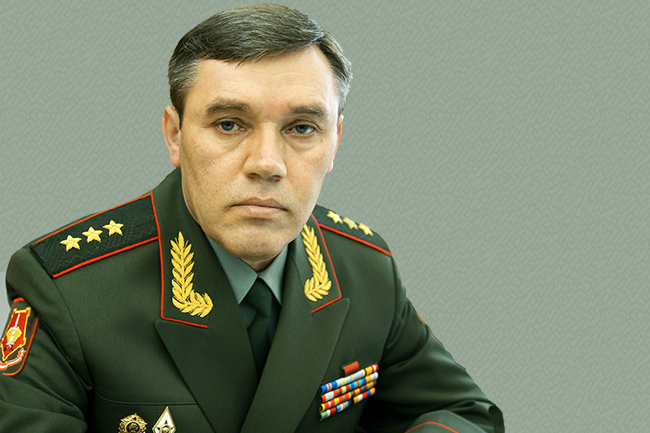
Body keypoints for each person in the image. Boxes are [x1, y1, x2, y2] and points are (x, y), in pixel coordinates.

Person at [0, 4, 504, 432]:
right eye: (229, 124)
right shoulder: (70, 291)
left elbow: (464, 413)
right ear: (175, 136)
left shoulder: (364, 269)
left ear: (335, 142)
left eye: (301, 128)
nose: (267, 163)